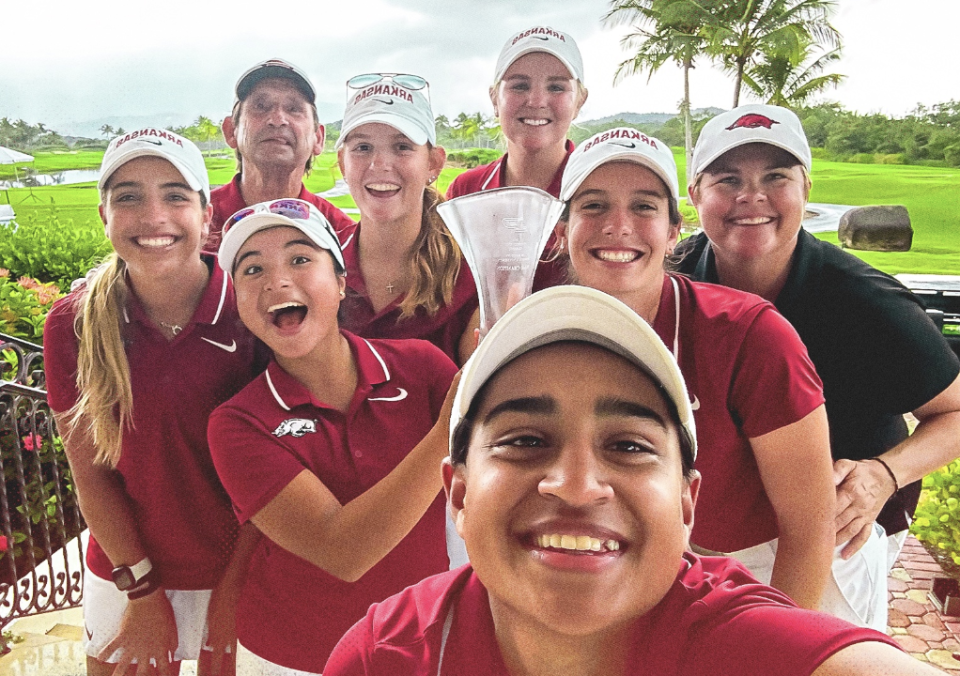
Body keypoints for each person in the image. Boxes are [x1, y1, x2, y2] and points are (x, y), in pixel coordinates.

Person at [323, 285, 938, 676]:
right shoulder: (389, 656)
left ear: (686, 500)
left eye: (628, 445)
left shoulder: (744, 644)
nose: (576, 484)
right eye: (525, 441)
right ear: (458, 492)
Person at [676, 103, 960, 629]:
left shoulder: (866, 303)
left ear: (806, 189)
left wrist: (884, 473)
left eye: (775, 177)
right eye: (728, 178)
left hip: (840, 529)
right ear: (695, 197)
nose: (751, 195)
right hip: (715, 523)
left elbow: (956, 412)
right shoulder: (676, 279)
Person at [550, 127, 834, 610]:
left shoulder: (751, 335)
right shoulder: (539, 336)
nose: (618, 226)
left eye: (644, 206)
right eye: (593, 205)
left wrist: (782, 642)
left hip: (747, 571)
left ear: (674, 230)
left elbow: (809, 529)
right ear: (562, 231)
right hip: (603, 554)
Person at [43, 129, 263, 676]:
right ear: (104, 215)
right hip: (128, 569)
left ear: (207, 214)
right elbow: (90, 474)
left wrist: (232, 598)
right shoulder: (73, 323)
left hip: (244, 571)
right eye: (129, 197)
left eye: (174, 194)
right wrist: (142, 593)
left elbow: (279, 472)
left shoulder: (252, 307)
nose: (153, 215)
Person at [207, 199, 458, 674]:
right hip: (293, 656)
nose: (277, 281)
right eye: (252, 269)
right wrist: (449, 431)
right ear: (239, 302)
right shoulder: (238, 423)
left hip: (417, 647)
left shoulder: (421, 367)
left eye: (301, 259)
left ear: (342, 283)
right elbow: (341, 549)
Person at [335, 72, 479, 365]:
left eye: (402, 147)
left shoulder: (473, 270)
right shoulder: (320, 261)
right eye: (363, 147)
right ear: (342, 163)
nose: (380, 165)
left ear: (433, 163)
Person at [446, 26, 588, 290]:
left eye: (556, 87)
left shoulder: (595, 188)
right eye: (520, 85)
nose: (536, 101)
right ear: (494, 99)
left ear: (580, 101)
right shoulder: (466, 191)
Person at [208, 58, 355, 254]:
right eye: (261, 106)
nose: (277, 120)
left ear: (318, 138)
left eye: (294, 109)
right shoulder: (195, 224)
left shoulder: (343, 236)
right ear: (230, 131)